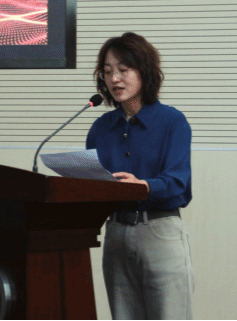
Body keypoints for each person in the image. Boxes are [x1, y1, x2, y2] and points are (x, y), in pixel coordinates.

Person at [86, 32, 194, 320]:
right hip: (116, 233)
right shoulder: (101, 128)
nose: (115, 79)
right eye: (108, 71)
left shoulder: (172, 122)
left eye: (123, 69)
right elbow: (95, 182)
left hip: (159, 231)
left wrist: (143, 186)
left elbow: (178, 183)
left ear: (144, 71)